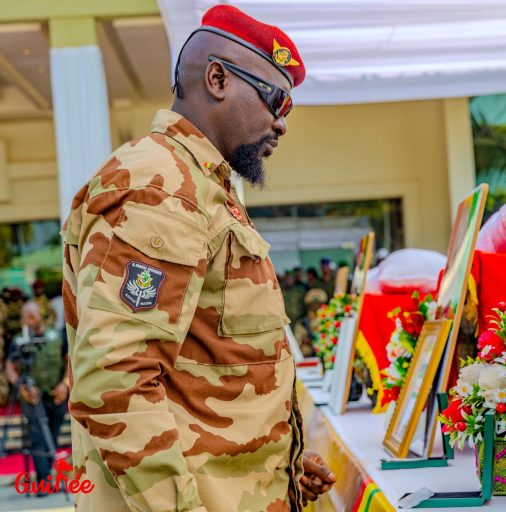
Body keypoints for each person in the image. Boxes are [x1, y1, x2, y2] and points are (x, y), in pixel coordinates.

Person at [61, 5, 334, 511]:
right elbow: (115, 378)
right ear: (217, 78)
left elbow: (214, 359)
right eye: (276, 99)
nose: (281, 123)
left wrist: (283, 464)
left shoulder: (200, 186)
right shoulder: (162, 188)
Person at [5, 301, 68, 489]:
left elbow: (69, 361)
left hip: (55, 394)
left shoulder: (56, 336)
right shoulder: (19, 341)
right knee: (38, 437)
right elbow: (9, 366)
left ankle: (50, 476)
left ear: (39, 315)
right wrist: (20, 386)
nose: (29, 320)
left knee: (53, 436)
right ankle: (43, 482)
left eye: (32, 316)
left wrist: (65, 384)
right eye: (25, 317)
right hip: (33, 397)